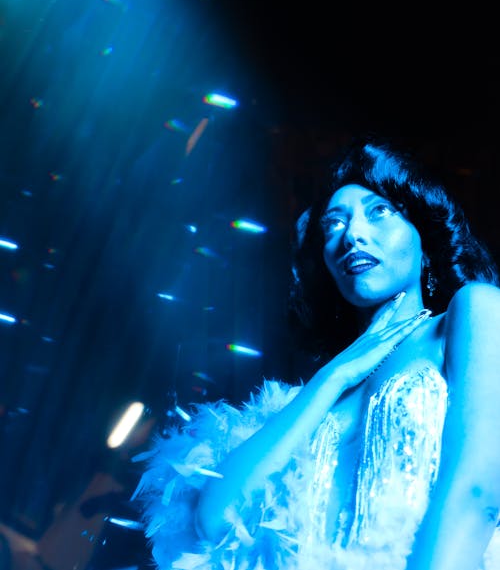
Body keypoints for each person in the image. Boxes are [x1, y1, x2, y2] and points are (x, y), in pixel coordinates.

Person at [133, 141, 500, 570]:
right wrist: (335, 375)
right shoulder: (317, 392)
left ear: (423, 234)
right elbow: (214, 519)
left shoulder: (474, 312)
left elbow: (476, 492)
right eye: (333, 224)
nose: (353, 235)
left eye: (379, 211)